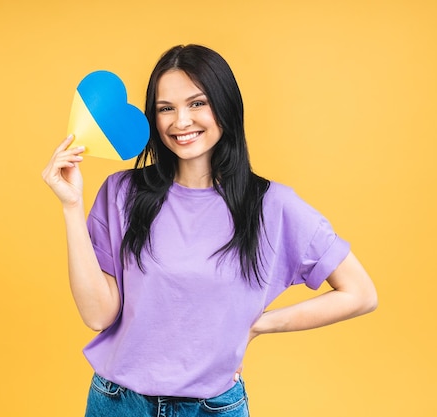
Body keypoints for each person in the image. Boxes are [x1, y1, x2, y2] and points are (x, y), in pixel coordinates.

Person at [42, 44, 377, 417]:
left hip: (212, 408)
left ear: (225, 106)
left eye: (197, 103)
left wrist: (259, 325)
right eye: (166, 108)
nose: (181, 121)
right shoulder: (123, 192)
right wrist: (71, 206)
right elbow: (98, 316)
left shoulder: (272, 205)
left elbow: (361, 293)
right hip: (118, 403)